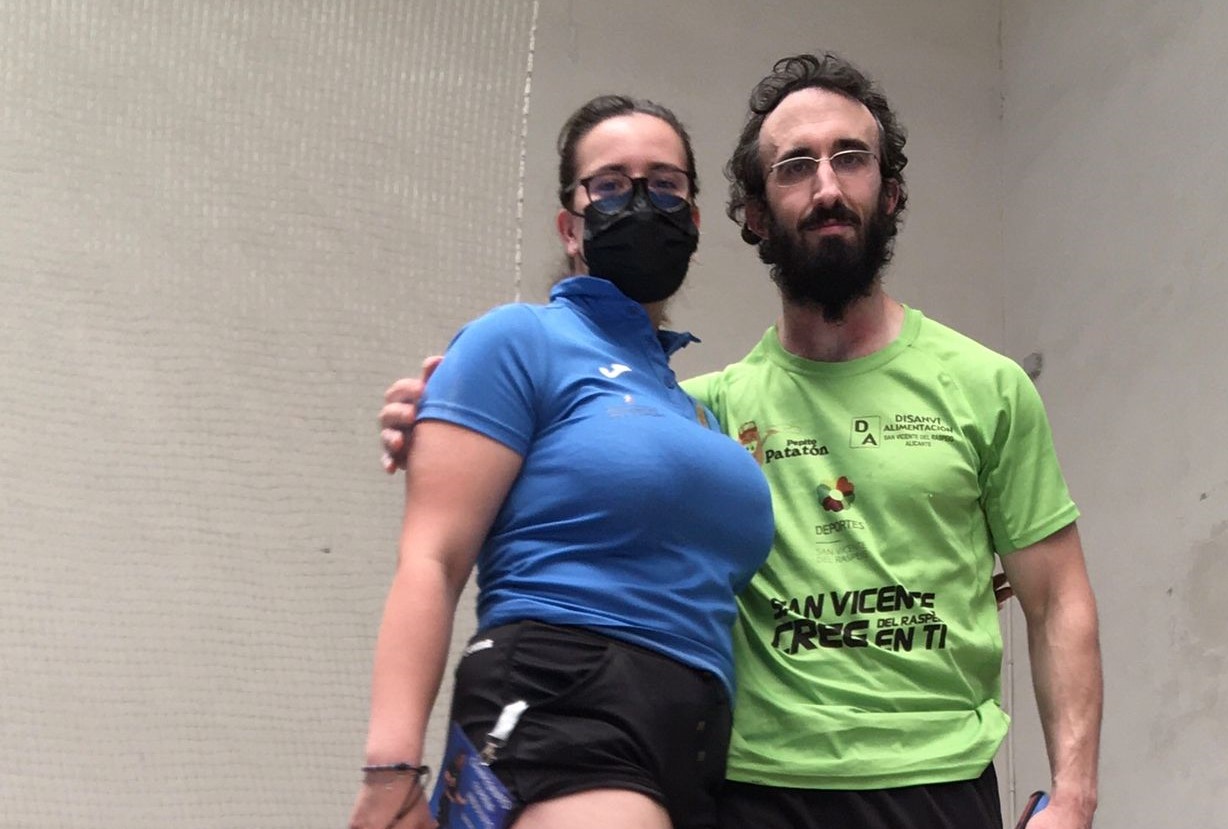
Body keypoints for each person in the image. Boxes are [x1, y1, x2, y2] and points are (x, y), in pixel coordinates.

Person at [379, 54, 1102, 829]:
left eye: (850, 158)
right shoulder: (701, 422)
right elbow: (568, 460)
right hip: (749, 794)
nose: (827, 187)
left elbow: (1056, 598)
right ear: (754, 213)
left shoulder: (990, 388)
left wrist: (1072, 796)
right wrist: (444, 405)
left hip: (938, 786)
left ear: (891, 192)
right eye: (795, 166)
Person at [348, 94, 774, 829]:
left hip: (695, 737)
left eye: (665, 184)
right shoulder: (518, 341)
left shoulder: (696, 411)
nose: (640, 202)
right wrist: (391, 773)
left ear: (696, 218)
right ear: (569, 225)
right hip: (559, 693)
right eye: (609, 185)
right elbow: (432, 557)